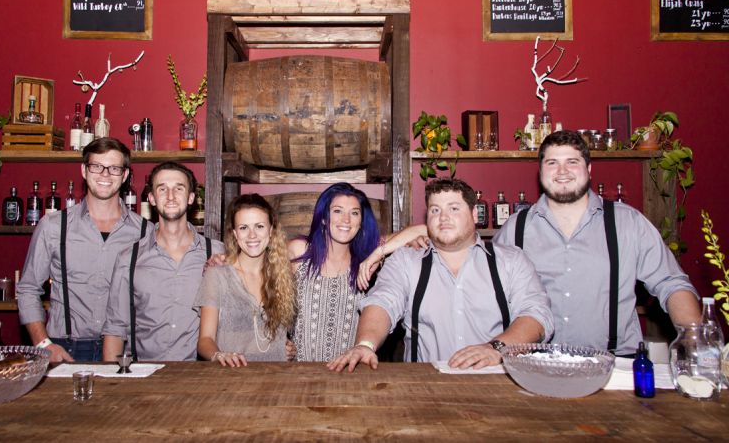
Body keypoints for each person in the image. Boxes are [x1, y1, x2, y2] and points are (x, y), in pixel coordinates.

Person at [494, 130, 700, 355]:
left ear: (588, 169)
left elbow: (671, 283)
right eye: (552, 162)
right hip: (536, 365)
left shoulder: (628, 222)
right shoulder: (515, 229)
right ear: (541, 171)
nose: (562, 171)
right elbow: (489, 293)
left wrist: (694, 339)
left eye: (572, 162)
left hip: (615, 366)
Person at [329, 178, 553, 372]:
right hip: (425, 388)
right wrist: (366, 345)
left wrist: (495, 348)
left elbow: (536, 314)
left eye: (454, 208)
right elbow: (382, 301)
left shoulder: (511, 261)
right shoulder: (405, 261)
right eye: (435, 210)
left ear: (475, 214)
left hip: (495, 382)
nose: (443, 217)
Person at [16, 138, 145, 362]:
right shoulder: (54, 226)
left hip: (124, 350)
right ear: (84, 171)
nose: (105, 175)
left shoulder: (145, 231)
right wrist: (44, 344)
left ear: (124, 176)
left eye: (114, 168)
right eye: (97, 166)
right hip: (65, 348)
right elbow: (27, 289)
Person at [102, 162, 224, 361]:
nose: (170, 196)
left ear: (191, 197)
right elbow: (115, 329)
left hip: (201, 376)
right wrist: (110, 385)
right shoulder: (129, 258)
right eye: (162, 189)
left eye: (179, 188)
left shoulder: (217, 253)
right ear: (151, 198)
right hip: (144, 377)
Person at [289, 183, 403, 362]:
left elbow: (423, 231)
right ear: (324, 218)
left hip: (350, 373)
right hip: (302, 373)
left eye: (355, 213)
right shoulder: (301, 251)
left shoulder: (366, 259)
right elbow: (262, 283)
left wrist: (378, 253)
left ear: (361, 222)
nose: (346, 220)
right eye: (337, 211)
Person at [195, 194, 297, 366]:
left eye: (259, 226)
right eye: (243, 228)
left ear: (271, 231)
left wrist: (285, 349)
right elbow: (205, 340)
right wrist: (219, 355)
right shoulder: (217, 276)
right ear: (235, 233)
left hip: (276, 379)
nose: (252, 235)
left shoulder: (283, 276)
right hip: (231, 381)